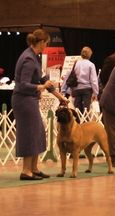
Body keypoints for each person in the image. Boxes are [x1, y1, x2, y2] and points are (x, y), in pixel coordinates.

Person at [11, 29, 68, 180]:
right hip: (24, 101)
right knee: (29, 134)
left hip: (30, 100)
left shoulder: (34, 56)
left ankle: (34, 168)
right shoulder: (28, 59)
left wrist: (59, 96)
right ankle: (26, 171)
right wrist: (40, 88)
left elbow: (43, 79)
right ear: (42, 42)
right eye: (47, 43)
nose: (47, 46)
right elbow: (23, 85)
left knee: (37, 132)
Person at [61, 46, 98, 114]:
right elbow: (93, 80)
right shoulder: (91, 65)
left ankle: (78, 122)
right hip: (87, 90)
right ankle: (85, 123)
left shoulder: (76, 63)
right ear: (90, 55)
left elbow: (71, 75)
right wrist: (95, 92)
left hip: (76, 89)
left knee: (77, 109)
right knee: (86, 110)